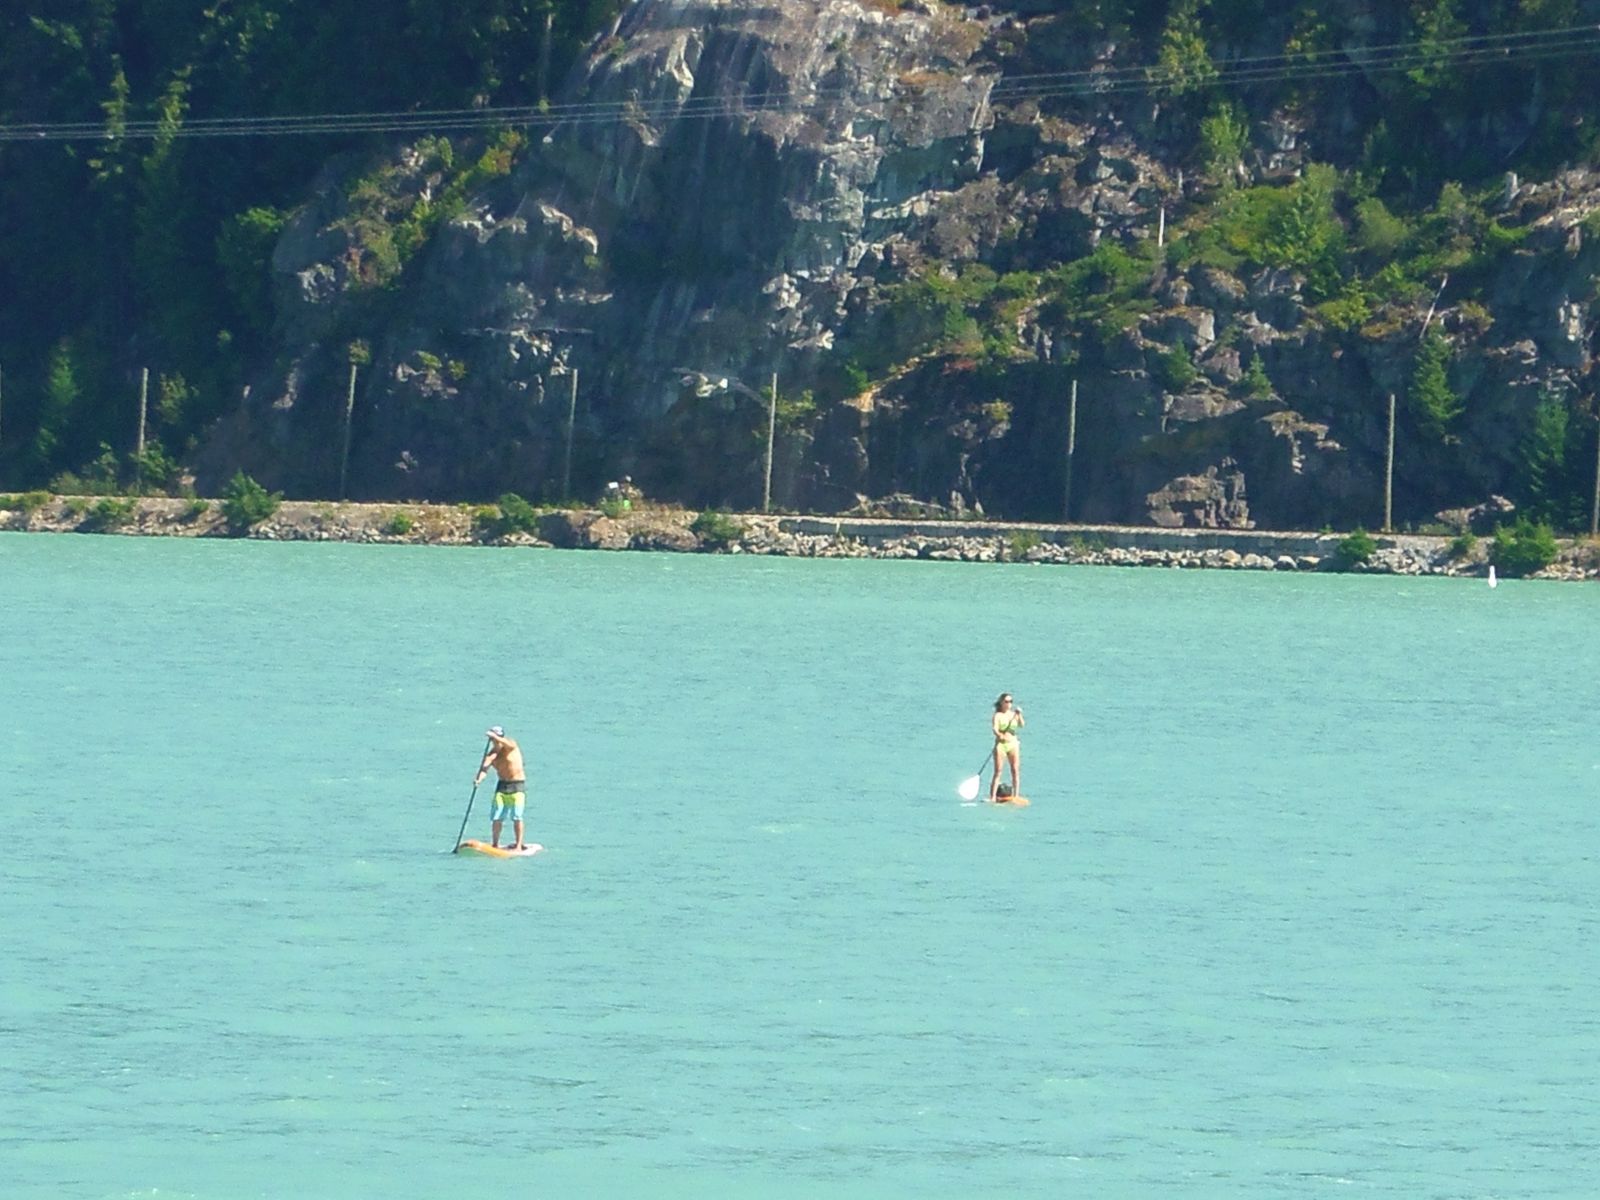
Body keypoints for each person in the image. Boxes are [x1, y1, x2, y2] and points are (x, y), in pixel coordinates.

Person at [475, 726, 529, 849]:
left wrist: (495, 736)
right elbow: (484, 769)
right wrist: (479, 779)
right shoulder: (492, 754)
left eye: (498, 738)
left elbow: (507, 743)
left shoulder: (510, 745)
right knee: (497, 817)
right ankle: (495, 844)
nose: (496, 742)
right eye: (494, 740)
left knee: (516, 816)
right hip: (502, 786)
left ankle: (519, 845)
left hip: (517, 785)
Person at [989, 693, 1024, 803]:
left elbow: (1021, 725)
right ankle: (993, 797)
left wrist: (1019, 715)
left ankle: (1016, 795)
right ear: (1001, 703)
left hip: (1013, 743)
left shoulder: (1014, 714)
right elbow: (995, 729)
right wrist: (1000, 736)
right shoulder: (998, 715)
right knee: (998, 771)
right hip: (1001, 745)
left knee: (1015, 770)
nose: (1009, 704)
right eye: (1006, 702)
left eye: (1011, 701)